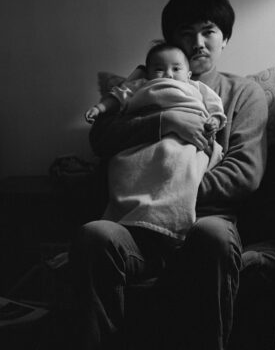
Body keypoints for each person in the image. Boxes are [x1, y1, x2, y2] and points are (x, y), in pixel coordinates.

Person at [71, 0, 268, 350]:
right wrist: (166, 122)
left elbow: (244, 174)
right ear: (169, 40)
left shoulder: (243, 94)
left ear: (225, 38)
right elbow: (101, 140)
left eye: (209, 31)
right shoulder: (140, 88)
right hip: (134, 225)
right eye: (186, 32)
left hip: (199, 223)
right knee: (94, 235)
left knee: (215, 235)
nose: (198, 43)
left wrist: (170, 192)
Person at [84, 41, 227, 240]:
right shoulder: (141, 85)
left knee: (180, 162)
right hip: (145, 142)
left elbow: (215, 108)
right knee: (126, 165)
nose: (168, 74)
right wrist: (99, 108)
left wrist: (214, 121)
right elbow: (117, 97)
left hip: (185, 142)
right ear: (148, 73)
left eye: (176, 68)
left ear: (188, 74)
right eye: (159, 69)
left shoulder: (197, 88)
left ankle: (170, 221)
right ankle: (132, 217)